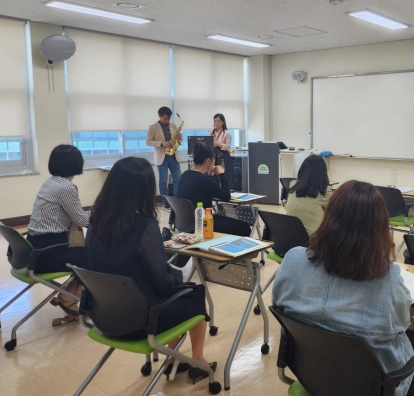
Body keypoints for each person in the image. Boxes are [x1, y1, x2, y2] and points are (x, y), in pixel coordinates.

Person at [272, 181, 414, 396]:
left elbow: (279, 303)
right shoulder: (387, 278)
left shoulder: (292, 259)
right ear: (378, 228)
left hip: (309, 374)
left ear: (328, 216)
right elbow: (400, 325)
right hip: (372, 387)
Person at [85, 157, 214, 382]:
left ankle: (176, 359)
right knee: (194, 293)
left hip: (103, 316)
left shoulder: (95, 221)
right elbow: (163, 282)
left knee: (178, 291)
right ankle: (198, 361)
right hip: (140, 321)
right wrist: (178, 277)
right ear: (144, 190)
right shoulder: (145, 227)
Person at [26, 144, 90, 322]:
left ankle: (69, 296)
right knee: (93, 256)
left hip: (33, 249)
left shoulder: (51, 182)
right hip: (47, 253)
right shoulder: (67, 188)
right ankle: (71, 297)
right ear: (77, 164)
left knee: (83, 252)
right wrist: (104, 213)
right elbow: (83, 220)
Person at [177, 143, 251, 236]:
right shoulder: (205, 180)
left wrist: (210, 176)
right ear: (208, 161)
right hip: (202, 224)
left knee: (223, 220)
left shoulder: (185, 174)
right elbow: (226, 197)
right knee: (244, 227)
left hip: (185, 223)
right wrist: (222, 175)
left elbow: (203, 188)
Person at [285, 155, 332, 235]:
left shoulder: (293, 184)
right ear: (323, 172)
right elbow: (333, 213)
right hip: (312, 239)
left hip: (289, 235)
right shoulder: (324, 191)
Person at [147, 106, 182, 208]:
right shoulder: (153, 127)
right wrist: (162, 143)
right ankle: (165, 202)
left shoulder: (173, 125)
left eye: (169, 118)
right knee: (163, 181)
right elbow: (148, 142)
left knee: (177, 179)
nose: (167, 120)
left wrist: (180, 137)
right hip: (161, 156)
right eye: (165, 118)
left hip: (173, 155)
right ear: (159, 116)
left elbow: (178, 140)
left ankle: (176, 202)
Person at [209, 113, 234, 190]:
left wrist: (219, 144)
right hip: (213, 154)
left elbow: (228, 146)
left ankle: (224, 190)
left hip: (222, 155)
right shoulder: (212, 132)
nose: (216, 123)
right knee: (213, 173)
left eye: (218, 121)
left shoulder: (227, 133)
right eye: (215, 121)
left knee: (222, 174)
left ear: (223, 122)